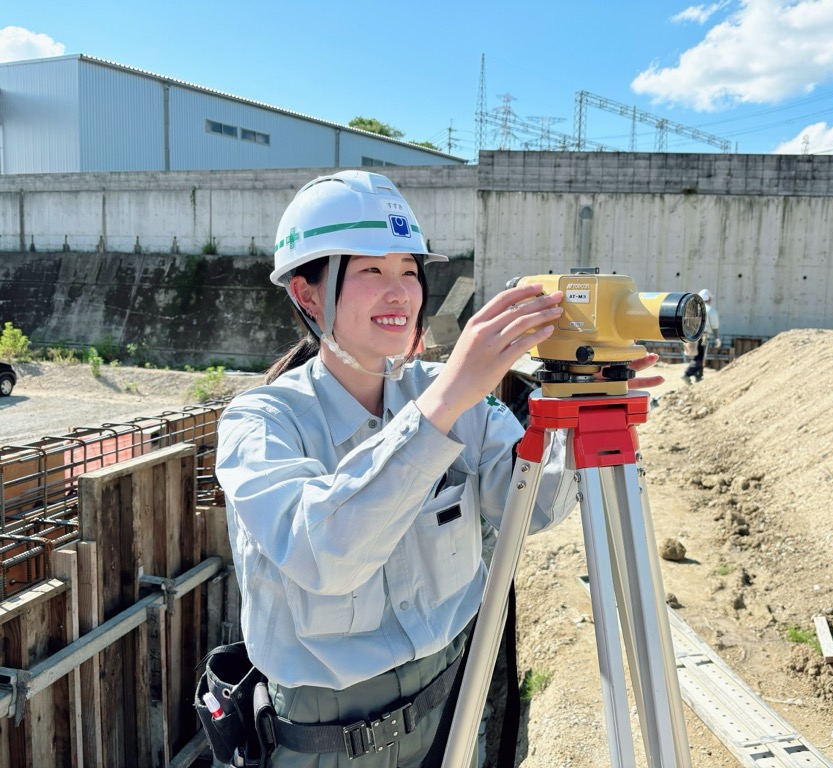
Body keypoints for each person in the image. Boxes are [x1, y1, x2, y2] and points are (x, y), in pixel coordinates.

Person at [214, 170, 664, 768]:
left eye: (408, 269)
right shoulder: (261, 422)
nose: (399, 292)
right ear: (307, 294)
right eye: (371, 271)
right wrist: (444, 404)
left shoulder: (453, 397)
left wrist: (582, 416)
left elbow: (535, 506)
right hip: (323, 737)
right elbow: (323, 555)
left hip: (453, 699)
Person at [683, 288, 721, 383]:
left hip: (691, 335)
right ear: (708, 298)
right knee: (699, 357)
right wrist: (717, 338)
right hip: (702, 336)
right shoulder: (709, 310)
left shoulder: (693, 307)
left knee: (698, 355)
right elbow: (714, 325)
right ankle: (687, 374)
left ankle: (699, 376)